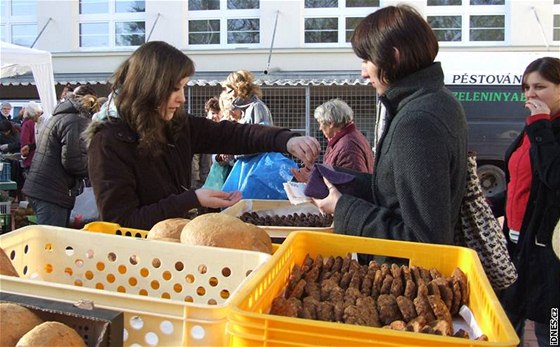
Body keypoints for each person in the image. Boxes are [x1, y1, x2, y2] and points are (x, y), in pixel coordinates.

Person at [85, 41, 320, 230]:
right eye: (175, 89)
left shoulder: (176, 124)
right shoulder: (108, 141)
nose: (182, 98)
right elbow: (122, 222)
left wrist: (286, 140)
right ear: (150, 87)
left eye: (183, 88)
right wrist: (193, 199)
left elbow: (234, 134)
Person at [313, 5, 468, 246]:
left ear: (394, 58)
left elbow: (422, 240)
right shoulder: (436, 100)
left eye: (367, 59)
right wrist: (340, 178)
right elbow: (395, 193)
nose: (363, 73)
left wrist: (342, 207)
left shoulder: (417, 121)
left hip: (405, 277)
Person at [489, 57, 560, 347]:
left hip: (548, 251)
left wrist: (541, 125)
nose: (530, 94)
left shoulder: (542, 128)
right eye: (526, 87)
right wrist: (491, 204)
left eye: (540, 87)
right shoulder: (532, 128)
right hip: (516, 244)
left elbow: (554, 177)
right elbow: (521, 183)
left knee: (550, 328)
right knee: (507, 320)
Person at [23, 85, 99, 227]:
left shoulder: (60, 115)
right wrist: (97, 171)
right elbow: (73, 162)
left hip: (42, 188)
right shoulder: (75, 120)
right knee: (50, 243)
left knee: (48, 240)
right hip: (52, 192)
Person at [291, 98, 375, 182]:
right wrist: (314, 173)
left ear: (331, 123)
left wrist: (312, 180)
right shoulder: (350, 138)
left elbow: (350, 185)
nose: (320, 128)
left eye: (320, 123)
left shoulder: (347, 146)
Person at [20, 101, 43, 176]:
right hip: (42, 160)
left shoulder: (27, 123)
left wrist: (24, 156)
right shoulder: (44, 121)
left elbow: (24, 142)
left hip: (31, 159)